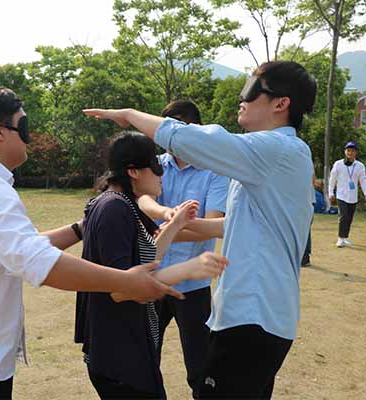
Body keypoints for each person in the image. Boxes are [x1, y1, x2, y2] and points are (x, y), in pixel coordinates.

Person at [0, 87, 226, 400]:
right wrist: (127, 281)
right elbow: (40, 263)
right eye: (23, 125)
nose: (29, 136)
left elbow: (27, 245)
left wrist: (81, 228)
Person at [84, 60, 317, 398]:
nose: (242, 99)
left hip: (252, 317)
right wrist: (180, 223)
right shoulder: (280, 156)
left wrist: (130, 115)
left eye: (252, 90)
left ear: (281, 103)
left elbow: (197, 139)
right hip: (260, 316)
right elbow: (239, 223)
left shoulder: (275, 149)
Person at [77, 131, 226, 399]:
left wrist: (176, 224)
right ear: (133, 172)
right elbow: (121, 288)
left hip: (126, 350)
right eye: (156, 166)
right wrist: (186, 269)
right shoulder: (114, 210)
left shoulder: (121, 204)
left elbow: (145, 258)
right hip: (119, 354)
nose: (162, 174)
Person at [134, 100, 228, 395]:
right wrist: (168, 216)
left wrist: (165, 231)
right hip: (153, 276)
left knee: (200, 367)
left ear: (195, 130)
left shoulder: (214, 170)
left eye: (176, 130)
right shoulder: (157, 165)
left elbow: (211, 224)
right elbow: (142, 201)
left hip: (192, 284)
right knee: (143, 357)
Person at [328, 141, 366, 248]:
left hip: (353, 196)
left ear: (356, 152)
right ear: (345, 152)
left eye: (352, 151)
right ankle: (340, 238)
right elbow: (332, 179)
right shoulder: (338, 164)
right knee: (343, 216)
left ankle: (345, 237)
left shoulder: (360, 166)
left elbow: (363, 181)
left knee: (349, 218)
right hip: (341, 195)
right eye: (348, 150)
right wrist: (331, 192)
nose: (350, 152)